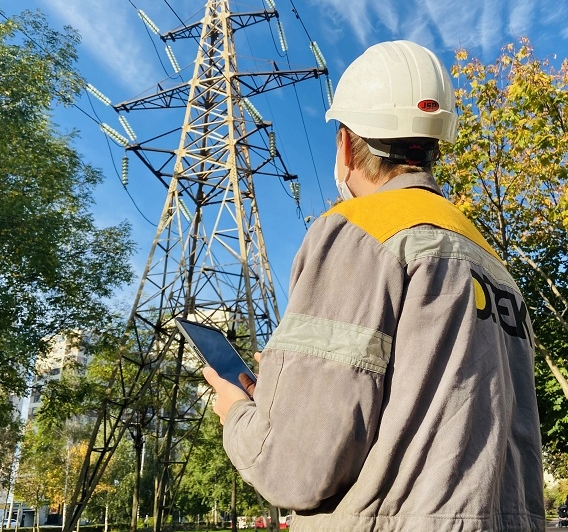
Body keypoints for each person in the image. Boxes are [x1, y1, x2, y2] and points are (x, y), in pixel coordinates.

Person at [203, 40, 544, 531]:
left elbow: (297, 468)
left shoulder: (360, 229)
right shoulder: (489, 259)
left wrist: (236, 413)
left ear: (346, 143)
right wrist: (294, 377)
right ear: (432, 147)